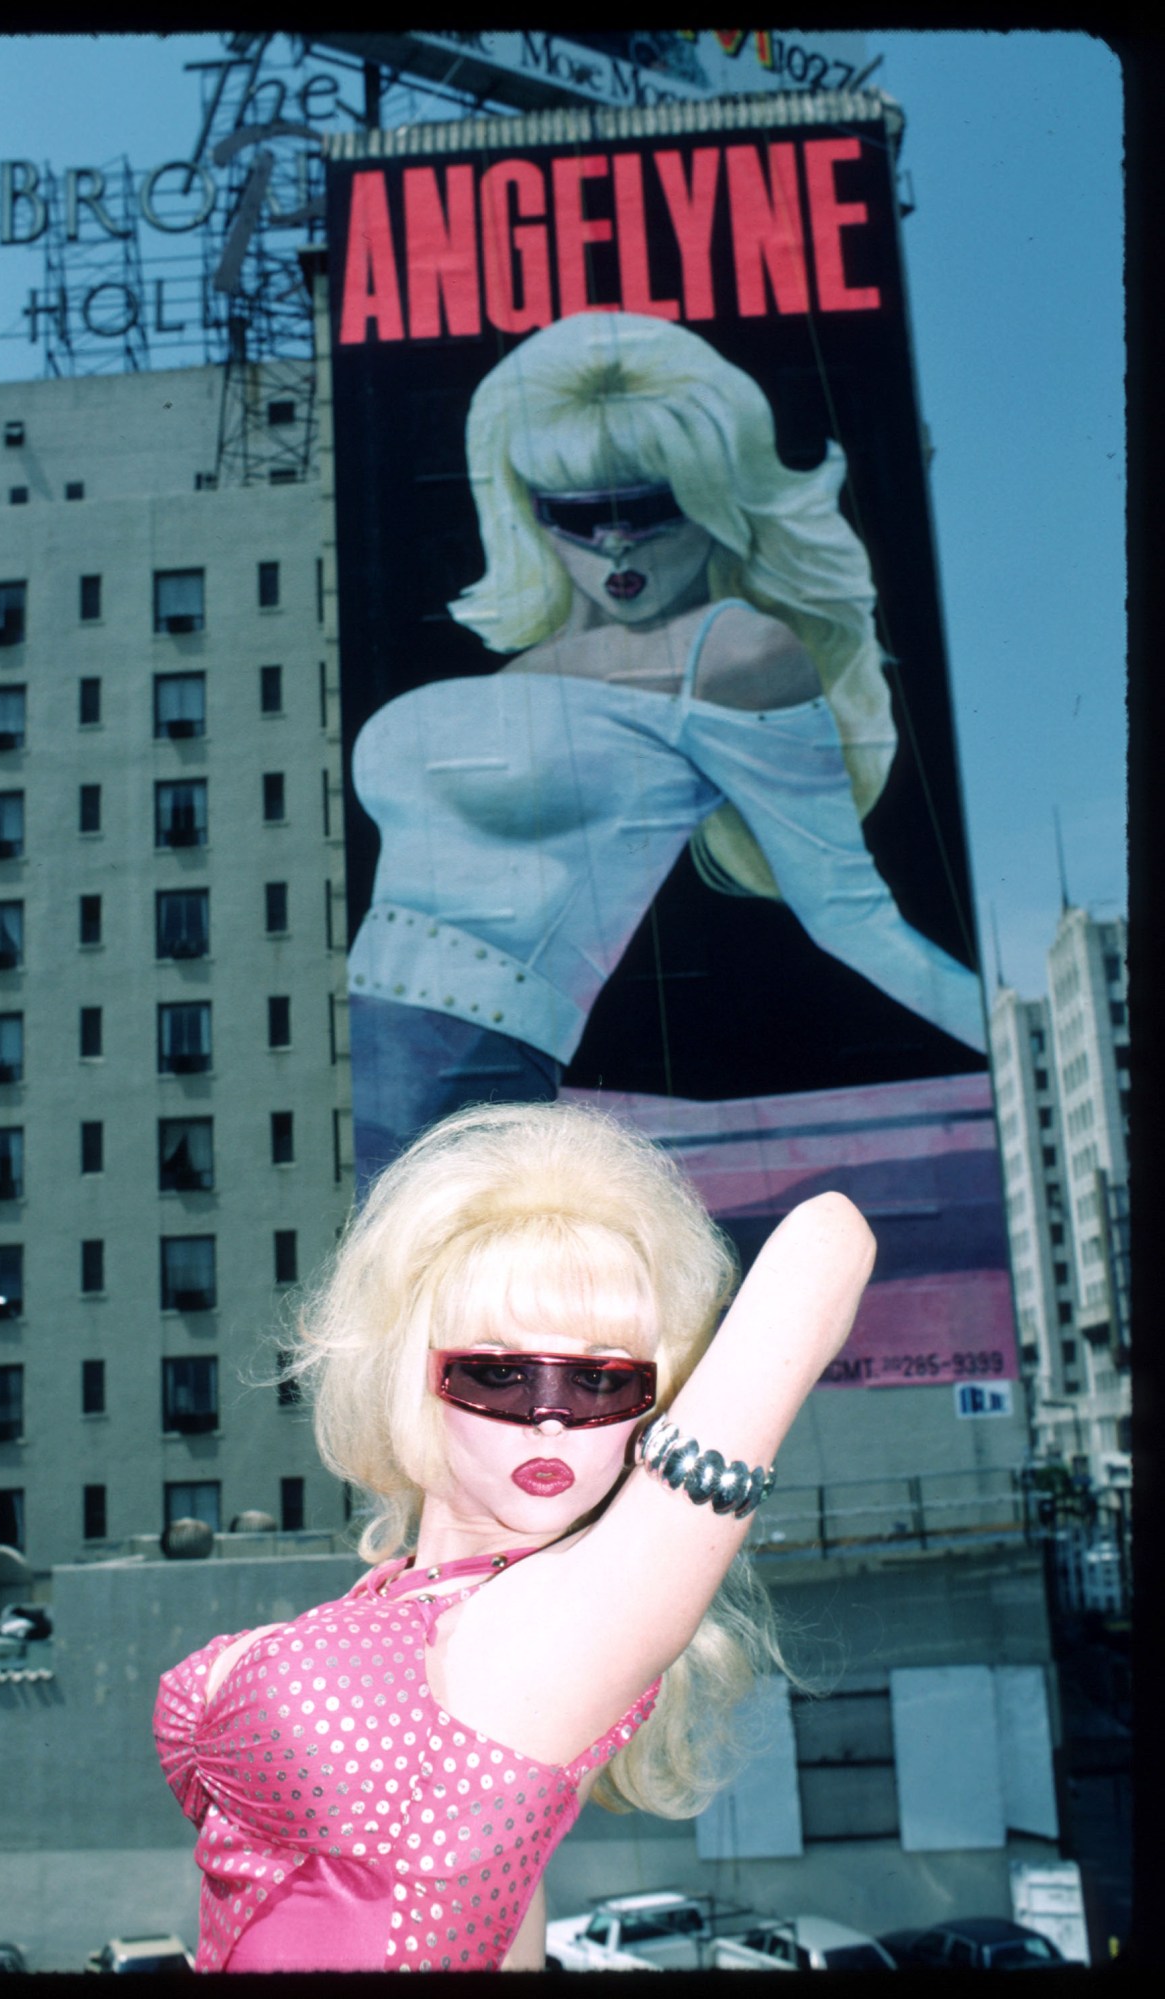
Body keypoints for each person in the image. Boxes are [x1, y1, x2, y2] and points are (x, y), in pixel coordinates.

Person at [155, 1098, 875, 1972]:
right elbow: (503, 1918)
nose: (547, 1419)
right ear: (411, 1376)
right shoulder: (406, 1600)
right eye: (497, 1373)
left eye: (601, 1382)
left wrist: (679, 1446)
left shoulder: (572, 1624)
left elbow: (830, 1237)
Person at [347, 311, 985, 1182]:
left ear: (712, 496)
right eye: (576, 511)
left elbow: (849, 916)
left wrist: (1025, 1052)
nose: (615, 541)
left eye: (649, 506)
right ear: (528, 510)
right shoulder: (519, 671)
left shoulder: (731, 652)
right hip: (358, 1061)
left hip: (477, 1058)